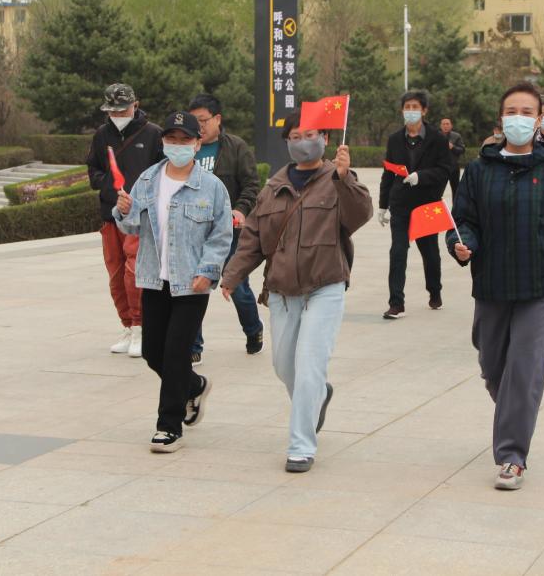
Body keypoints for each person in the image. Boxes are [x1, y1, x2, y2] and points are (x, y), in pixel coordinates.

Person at [447, 82, 544, 491]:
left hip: (540, 285)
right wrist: (461, 246)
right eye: (512, 111)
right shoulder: (479, 170)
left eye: (528, 112)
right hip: (492, 283)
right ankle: (517, 409)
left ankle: (512, 456)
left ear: (539, 121)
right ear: (501, 120)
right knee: (492, 365)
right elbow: (465, 221)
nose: (519, 118)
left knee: (525, 368)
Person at [221, 113, 373, 472]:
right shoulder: (273, 187)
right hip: (282, 289)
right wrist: (232, 275)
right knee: (283, 365)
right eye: (296, 135)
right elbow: (253, 237)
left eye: (311, 134)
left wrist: (344, 179)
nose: (304, 141)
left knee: (308, 366)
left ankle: (301, 446)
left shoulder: (338, 179)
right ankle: (318, 396)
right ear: (287, 142)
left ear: (325, 138)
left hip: (325, 286)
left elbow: (360, 215)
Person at [113, 111, 233, 452]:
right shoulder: (148, 179)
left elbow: (221, 234)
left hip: (191, 282)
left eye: (185, 140)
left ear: (197, 144)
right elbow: (131, 226)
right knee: (153, 351)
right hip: (155, 279)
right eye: (172, 139)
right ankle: (193, 386)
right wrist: (124, 210)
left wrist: (208, 270)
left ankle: (169, 426)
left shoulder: (211, 186)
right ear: (163, 142)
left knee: (177, 351)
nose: (178, 145)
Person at [86, 83, 164, 358]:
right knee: (116, 273)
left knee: (134, 272)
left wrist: (140, 196)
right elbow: (93, 169)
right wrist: (109, 185)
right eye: (113, 111)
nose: (118, 115)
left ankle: (142, 327)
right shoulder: (101, 135)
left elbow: (163, 172)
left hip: (139, 215)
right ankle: (128, 326)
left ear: (135, 105)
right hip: (110, 213)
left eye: (123, 110)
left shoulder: (153, 134)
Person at [186, 94, 264, 364]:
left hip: (230, 233)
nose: (199, 126)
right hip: (194, 232)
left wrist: (240, 210)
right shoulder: (186, 148)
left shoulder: (236, 147)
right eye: (194, 121)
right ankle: (193, 345)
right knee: (194, 288)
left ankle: (253, 329)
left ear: (217, 119)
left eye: (203, 120)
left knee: (238, 287)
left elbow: (252, 185)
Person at [379, 90, 455, 319]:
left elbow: (445, 170)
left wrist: (421, 177)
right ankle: (396, 303)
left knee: (430, 252)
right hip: (400, 204)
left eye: (415, 107)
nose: (410, 111)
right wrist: (383, 205)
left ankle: (435, 291)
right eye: (407, 107)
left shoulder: (437, 138)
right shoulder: (394, 139)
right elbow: (388, 172)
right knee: (398, 251)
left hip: (426, 205)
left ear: (424, 111)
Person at [439, 117, 466, 198]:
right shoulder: (436, 135)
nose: (445, 126)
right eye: (443, 124)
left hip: (454, 168)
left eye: (447, 124)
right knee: (438, 192)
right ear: (440, 126)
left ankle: (456, 206)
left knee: (456, 191)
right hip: (440, 168)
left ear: (451, 126)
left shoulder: (456, 136)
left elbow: (462, 150)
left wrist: (453, 147)